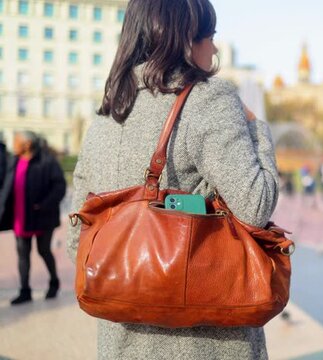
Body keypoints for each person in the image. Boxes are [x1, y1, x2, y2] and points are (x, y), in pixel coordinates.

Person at [66, 0, 279, 358]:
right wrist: (257, 127)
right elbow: (255, 204)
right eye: (209, 36)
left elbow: (78, 239)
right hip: (205, 344)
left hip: (120, 343)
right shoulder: (209, 99)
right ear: (184, 40)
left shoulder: (106, 114)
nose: (213, 47)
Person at [0, 131, 66, 305]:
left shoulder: (47, 161)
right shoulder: (14, 160)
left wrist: (45, 204)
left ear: (27, 144)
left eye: (16, 141)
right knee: (23, 254)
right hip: (20, 217)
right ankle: (25, 291)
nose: (13, 144)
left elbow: (60, 186)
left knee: (44, 251)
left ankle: (54, 282)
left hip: (42, 217)